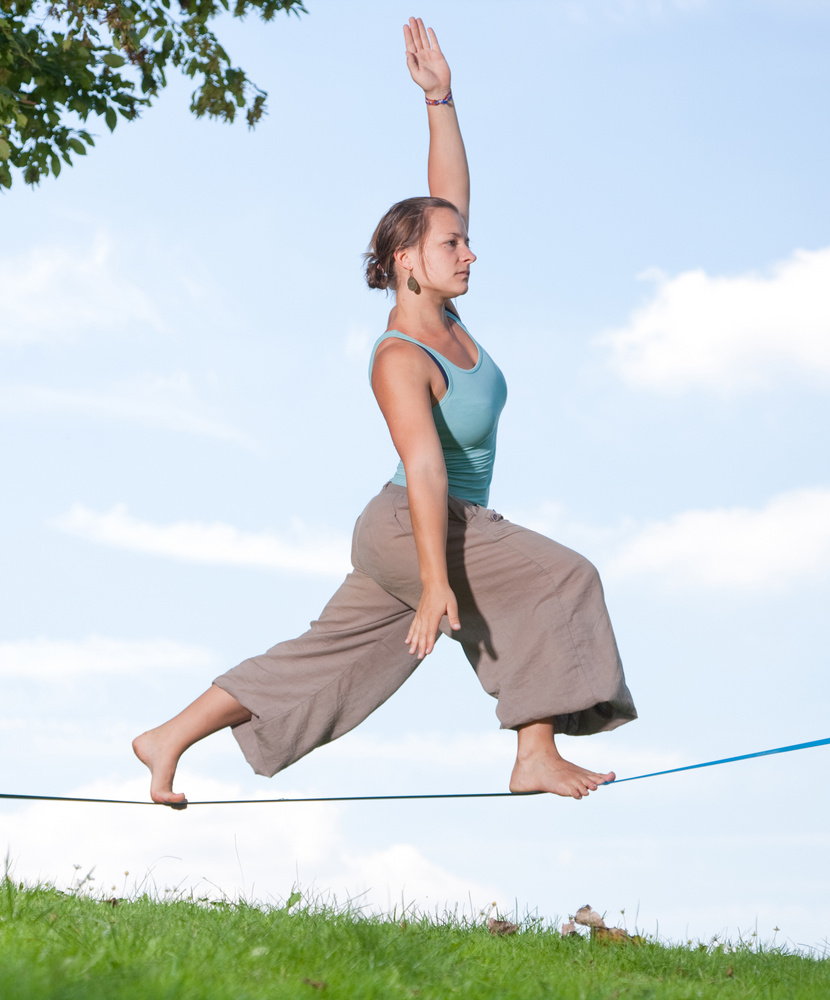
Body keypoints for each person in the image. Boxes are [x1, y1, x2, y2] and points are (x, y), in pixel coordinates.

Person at [133, 18, 636, 806]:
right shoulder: (402, 357)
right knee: (560, 580)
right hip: (418, 521)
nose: (469, 253)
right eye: (452, 246)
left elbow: (446, 193)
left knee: (332, 657)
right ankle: (533, 753)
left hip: (413, 526)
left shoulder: (448, 315)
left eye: (467, 243)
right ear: (407, 261)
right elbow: (429, 467)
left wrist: (439, 97)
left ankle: (166, 738)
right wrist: (437, 581)